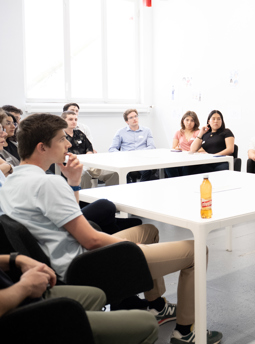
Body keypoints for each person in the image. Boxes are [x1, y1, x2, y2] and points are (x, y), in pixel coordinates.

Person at [0, 113, 223, 344]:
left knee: (149, 231)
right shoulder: (48, 183)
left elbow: (71, 220)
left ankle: (156, 306)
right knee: (196, 251)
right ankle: (185, 332)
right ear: (42, 147)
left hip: (64, 260)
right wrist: (130, 246)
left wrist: (73, 182)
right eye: (61, 139)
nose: (68, 144)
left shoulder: (11, 182)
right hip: (85, 264)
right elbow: (92, 240)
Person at [0, 253, 158, 344]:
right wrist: (26, 286)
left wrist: (15, 259)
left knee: (96, 295)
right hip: (20, 320)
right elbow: (92, 239)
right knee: (148, 323)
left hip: (19, 295)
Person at [61, 111, 119, 189]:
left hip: (87, 163)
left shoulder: (79, 133)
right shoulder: (60, 136)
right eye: (70, 119)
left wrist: (88, 155)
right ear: (63, 121)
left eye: (75, 119)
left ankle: (110, 194)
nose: (74, 122)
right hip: (72, 165)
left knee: (114, 173)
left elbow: (89, 147)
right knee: (84, 174)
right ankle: (83, 196)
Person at [109, 109, 158, 182]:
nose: (134, 119)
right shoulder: (121, 132)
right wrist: (124, 154)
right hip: (127, 160)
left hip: (143, 159)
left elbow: (152, 147)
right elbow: (112, 149)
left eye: (136, 116)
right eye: (131, 117)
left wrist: (138, 153)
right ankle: (129, 187)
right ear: (127, 121)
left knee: (147, 171)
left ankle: (141, 187)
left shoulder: (147, 131)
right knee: (122, 173)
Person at [166, 111, 202, 178]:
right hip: (181, 158)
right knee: (168, 166)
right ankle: (176, 181)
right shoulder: (178, 133)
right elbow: (173, 147)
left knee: (185, 167)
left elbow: (201, 148)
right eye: (187, 120)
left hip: (193, 158)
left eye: (192, 120)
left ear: (195, 122)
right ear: (183, 121)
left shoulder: (198, 132)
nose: (189, 122)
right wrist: (177, 148)